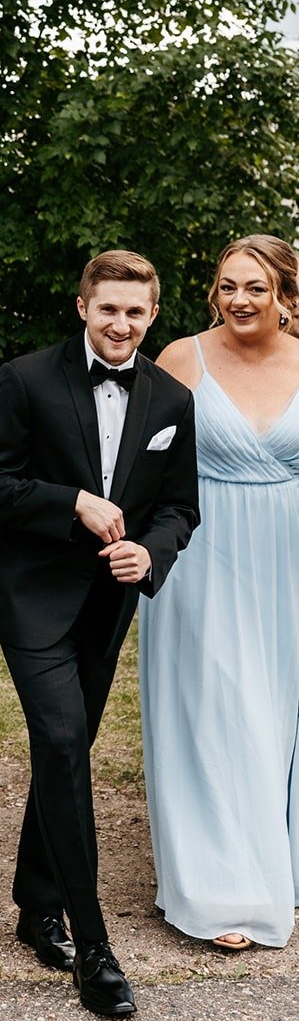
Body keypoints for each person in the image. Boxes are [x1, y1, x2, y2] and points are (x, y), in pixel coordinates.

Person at [0, 250, 199, 1019]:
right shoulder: (26, 378)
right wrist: (70, 500)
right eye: (108, 309)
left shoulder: (169, 397)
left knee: (64, 751)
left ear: (152, 315)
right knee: (64, 745)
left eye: (134, 312)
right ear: (81, 307)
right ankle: (92, 946)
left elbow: (178, 508)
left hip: (108, 605)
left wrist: (151, 550)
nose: (120, 324)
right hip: (30, 601)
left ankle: (35, 904)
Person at [140, 235, 299, 951]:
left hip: (287, 554)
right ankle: (221, 885)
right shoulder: (181, 358)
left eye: (255, 288)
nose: (238, 300)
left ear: (285, 298)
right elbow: (131, 455)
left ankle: (280, 864)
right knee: (214, 706)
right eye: (227, 286)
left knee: (281, 707)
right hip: (201, 550)